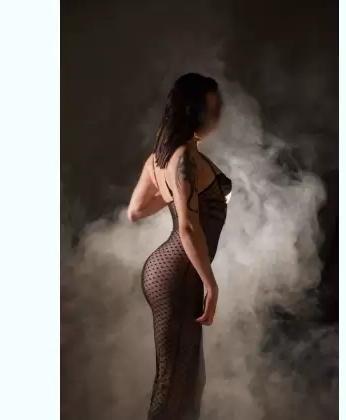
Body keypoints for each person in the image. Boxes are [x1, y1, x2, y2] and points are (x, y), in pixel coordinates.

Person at [127, 73, 232, 419]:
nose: (216, 116)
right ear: (191, 111)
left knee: (185, 378)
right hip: (178, 275)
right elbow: (187, 228)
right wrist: (211, 285)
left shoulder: (160, 158)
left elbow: (136, 211)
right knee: (176, 380)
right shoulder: (184, 157)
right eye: (211, 109)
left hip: (168, 272)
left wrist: (172, 193)